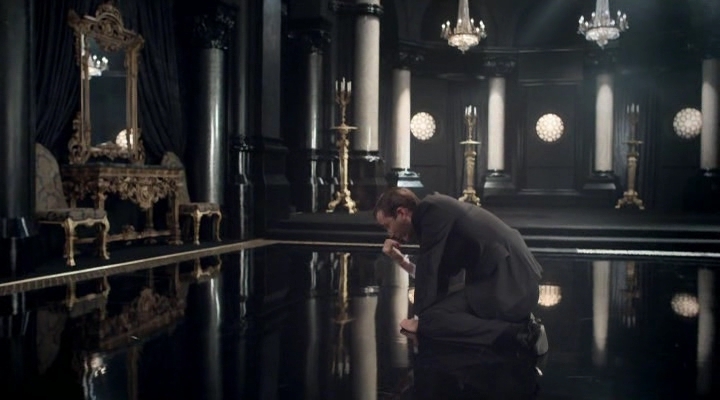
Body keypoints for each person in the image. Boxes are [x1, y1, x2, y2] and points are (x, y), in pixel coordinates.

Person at [373, 188, 548, 355]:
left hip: (510, 284)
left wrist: (420, 320)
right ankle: (521, 328)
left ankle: (521, 335)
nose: (390, 234)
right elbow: (436, 275)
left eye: (387, 226)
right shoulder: (434, 214)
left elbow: (428, 271)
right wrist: (400, 260)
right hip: (514, 283)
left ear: (402, 213)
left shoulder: (431, 211)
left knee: (431, 322)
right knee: (437, 313)